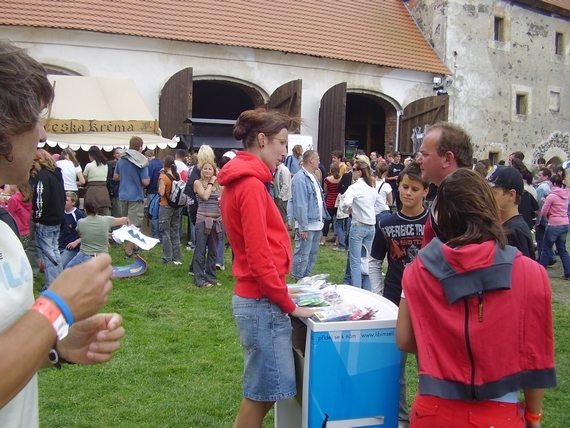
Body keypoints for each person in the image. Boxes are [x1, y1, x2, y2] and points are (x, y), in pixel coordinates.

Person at [0, 40, 124, 427]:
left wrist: (56, 343)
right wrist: (57, 307)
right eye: (34, 117)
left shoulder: (4, 229)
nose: (41, 132)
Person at [396, 169, 556, 428]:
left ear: (441, 216)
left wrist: (442, 348)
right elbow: (536, 355)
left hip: (433, 409)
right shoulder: (532, 274)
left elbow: (404, 338)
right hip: (500, 412)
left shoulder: (417, 271)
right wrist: (534, 416)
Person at [217, 108, 314, 428]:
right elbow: (259, 258)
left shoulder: (244, 182)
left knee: (264, 393)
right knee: (260, 397)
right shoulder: (250, 186)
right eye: (282, 143)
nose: (286, 152)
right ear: (261, 140)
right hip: (261, 303)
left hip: (259, 299)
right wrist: (290, 305)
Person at [370, 162, 428, 428]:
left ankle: (427, 414)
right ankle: (403, 418)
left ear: (425, 191)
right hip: (394, 301)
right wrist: (378, 295)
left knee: (429, 364)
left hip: (428, 303)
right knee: (397, 366)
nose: (408, 193)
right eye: (404, 187)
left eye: (415, 189)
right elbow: (374, 261)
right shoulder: (386, 223)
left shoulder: (434, 224)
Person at [415, 122, 474, 245]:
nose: (418, 160)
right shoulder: (448, 194)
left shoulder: (465, 201)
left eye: (425, 154)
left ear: (447, 159)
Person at [339, 155, 378, 291]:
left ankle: (357, 291)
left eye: (354, 169)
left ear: (360, 171)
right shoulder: (372, 188)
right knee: (367, 261)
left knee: (355, 261)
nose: (352, 172)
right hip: (370, 226)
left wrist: (347, 209)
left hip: (358, 225)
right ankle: (368, 290)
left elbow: (345, 202)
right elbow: (380, 204)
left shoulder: (355, 188)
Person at [289, 149, 329, 280]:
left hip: (317, 223)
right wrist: (303, 226)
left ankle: (306, 279)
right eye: (317, 159)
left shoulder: (313, 176)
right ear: (311, 160)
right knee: (302, 255)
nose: (319, 161)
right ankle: (299, 280)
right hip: (308, 225)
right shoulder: (300, 178)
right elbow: (300, 204)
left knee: (312, 256)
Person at [32, 148, 66, 289]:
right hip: (57, 217)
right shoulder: (56, 175)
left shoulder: (43, 177)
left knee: (47, 253)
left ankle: (52, 283)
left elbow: (40, 199)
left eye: (34, 163)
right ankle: (58, 280)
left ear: (39, 160)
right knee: (55, 251)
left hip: (46, 219)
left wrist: (36, 217)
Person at [487, 165, 535, 259]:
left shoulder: (515, 231)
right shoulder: (505, 225)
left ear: (511, 195)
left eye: (493, 193)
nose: (488, 197)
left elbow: (522, 269)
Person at [113, 136, 150, 258]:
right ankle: (128, 252)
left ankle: (135, 247)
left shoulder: (121, 159)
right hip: (135, 196)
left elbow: (115, 177)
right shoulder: (141, 161)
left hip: (122, 195)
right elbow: (145, 181)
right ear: (141, 147)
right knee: (134, 225)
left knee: (126, 223)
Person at [66, 199, 130, 268]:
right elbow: (124, 220)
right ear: (97, 210)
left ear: (85, 210)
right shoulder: (106, 220)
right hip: (103, 257)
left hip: (85, 256)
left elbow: (82, 235)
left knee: (67, 271)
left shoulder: (81, 222)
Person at [193, 160, 222, 287]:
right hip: (203, 220)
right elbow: (204, 196)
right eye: (205, 168)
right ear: (201, 170)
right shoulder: (198, 183)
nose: (207, 171)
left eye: (210, 169)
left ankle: (211, 277)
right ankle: (199, 278)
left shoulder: (218, 185)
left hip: (216, 221)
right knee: (200, 249)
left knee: (213, 250)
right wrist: (211, 183)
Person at [539, 174, 570, 278]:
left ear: (553, 184)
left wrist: (545, 203)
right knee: (562, 249)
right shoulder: (566, 194)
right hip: (564, 223)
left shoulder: (551, 196)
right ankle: (568, 272)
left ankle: (541, 271)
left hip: (554, 224)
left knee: (546, 248)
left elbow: (544, 212)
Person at [157, 156, 182, 265]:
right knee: (175, 231)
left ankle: (167, 257)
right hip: (176, 206)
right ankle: (177, 257)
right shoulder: (177, 175)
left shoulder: (164, 178)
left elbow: (161, 193)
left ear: (164, 165)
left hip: (165, 205)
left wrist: (160, 176)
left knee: (165, 231)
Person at [58, 191, 86, 268]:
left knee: (60, 267)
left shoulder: (78, 215)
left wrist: (76, 242)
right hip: (60, 245)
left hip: (72, 248)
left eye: (67, 200)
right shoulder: (61, 213)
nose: (64, 202)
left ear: (73, 202)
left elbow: (89, 233)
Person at [83, 146, 111, 216]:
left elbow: (84, 180)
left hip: (92, 190)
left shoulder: (89, 165)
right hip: (104, 191)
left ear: (91, 155)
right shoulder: (105, 165)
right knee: (105, 214)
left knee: (91, 214)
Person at [320, 163, 341, 246]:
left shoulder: (327, 179)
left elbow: (326, 191)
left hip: (330, 201)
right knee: (338, 222)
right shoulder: (341, 179)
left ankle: (323, 239)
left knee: (327, 221)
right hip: (338, 202)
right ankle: (337, 240)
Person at [145, 149, 163, 241]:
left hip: (152, 191)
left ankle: (155, 235)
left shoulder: (150, 165)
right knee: (160, 215)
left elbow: (148, 180)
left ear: (148, 157)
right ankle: (160, 234)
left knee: (153, 214)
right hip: (161, 193)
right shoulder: (161, 163)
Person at [273, 155, 292, 225]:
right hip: (279, 197)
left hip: (282, 198)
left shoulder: (284, 170)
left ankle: (285, 232)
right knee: (281, 216)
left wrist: (280, 196)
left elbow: (285, 185)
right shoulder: (279, 170)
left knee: (284, 217)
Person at [106, 148, 122, 217]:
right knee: (117, 213)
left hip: (120, 192)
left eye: (121, 153)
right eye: (118, 153)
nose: (119, 155)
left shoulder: (123, 164)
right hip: (114, 191)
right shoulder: (110, 164)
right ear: (114, 154)